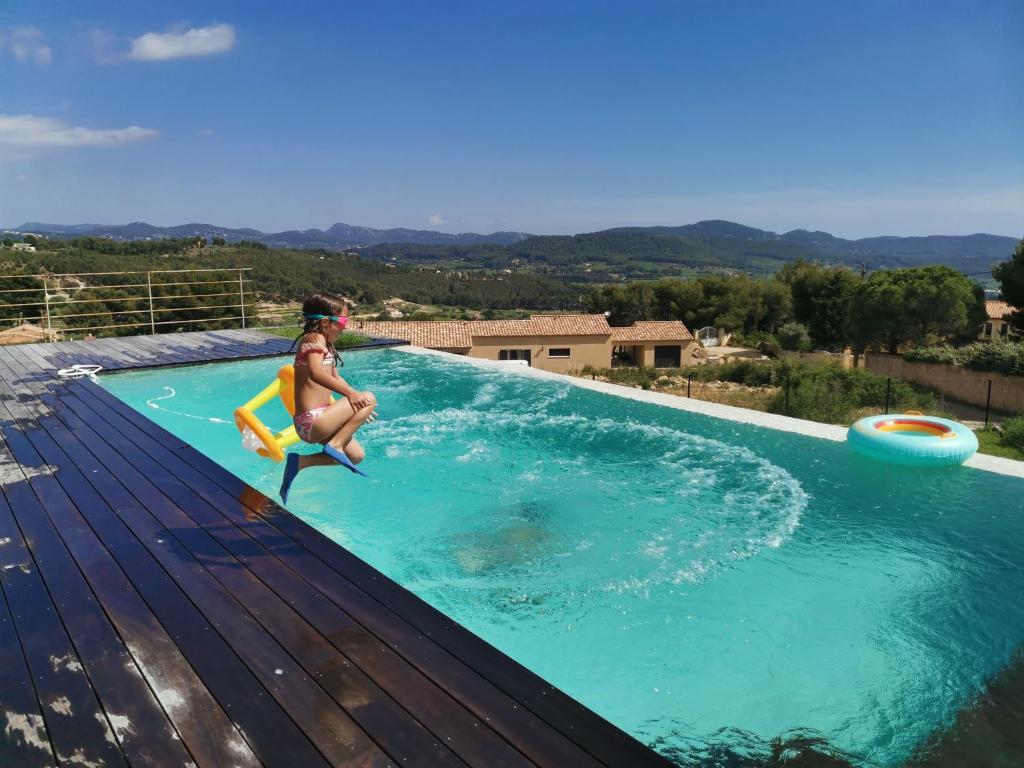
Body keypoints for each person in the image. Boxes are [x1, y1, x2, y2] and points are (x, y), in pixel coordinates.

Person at [279, 292, 377, 503]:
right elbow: (315, 372)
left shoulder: (326, 345)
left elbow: (335, 377)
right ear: (325, 321)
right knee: (369, 397)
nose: (345, 326)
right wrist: (355, 396)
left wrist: (357, 402)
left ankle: (300, 462)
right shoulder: (313, 339)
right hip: (311, 420)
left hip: (319, 420)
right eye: (342, 320)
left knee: (356, 456)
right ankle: (335, 445)